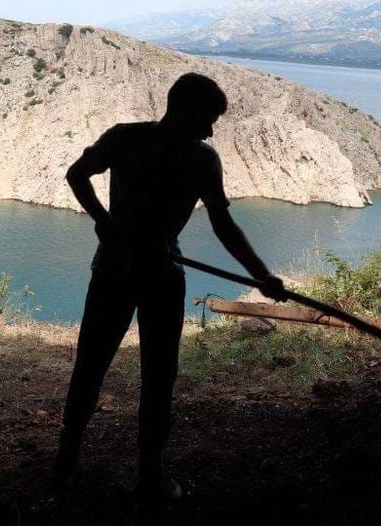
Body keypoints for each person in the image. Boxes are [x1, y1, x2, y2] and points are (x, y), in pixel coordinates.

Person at [54, 72, 286, 505]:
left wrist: (105, 222)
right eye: (208, 119)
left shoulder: (127, 139)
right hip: (159, 272)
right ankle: (146, 475)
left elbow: (77, 175)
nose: (211, 130)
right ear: (184, 110)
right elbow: (223, 225)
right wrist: (260, 273)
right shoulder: (200, 159)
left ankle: (66, 465)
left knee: (95, 365)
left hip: (117, 268)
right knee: (155, 375)